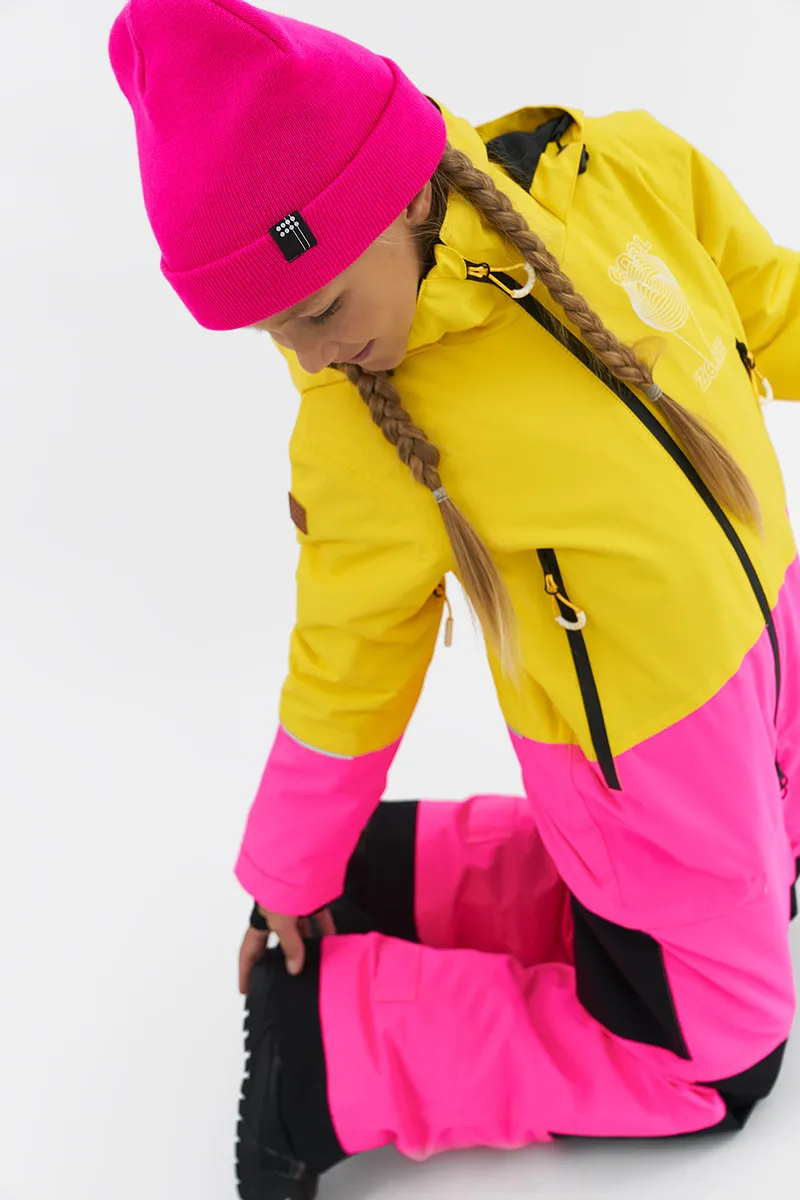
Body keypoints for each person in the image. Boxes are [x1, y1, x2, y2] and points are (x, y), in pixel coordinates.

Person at [108, 2, 800, 1197]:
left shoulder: (616, 171)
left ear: (393, 193)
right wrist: (288, 872)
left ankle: (397, 873)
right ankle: (339, 1057)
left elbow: (770, 306)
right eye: (275, 333)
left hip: (769, 658)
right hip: (639, 764)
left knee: (764, 876)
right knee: (715, 1057)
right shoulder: (367, 428)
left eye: (319, 310)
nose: (310, 357)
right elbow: (348, 663)